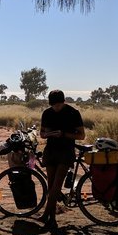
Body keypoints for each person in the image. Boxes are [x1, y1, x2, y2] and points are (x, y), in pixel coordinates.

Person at [39, 89, 85, 227]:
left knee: (56, 186)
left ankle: (46, 215)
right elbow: (42, 133)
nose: (56, 108)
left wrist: (64, 134)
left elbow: (81, 135)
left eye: (58, 105)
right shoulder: (47, 113)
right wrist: (49, 134)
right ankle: (51, 219)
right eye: (53, 105)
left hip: (66, 151)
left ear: (63, 102)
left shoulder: (73, 113)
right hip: (51, 150)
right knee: (51, 186)